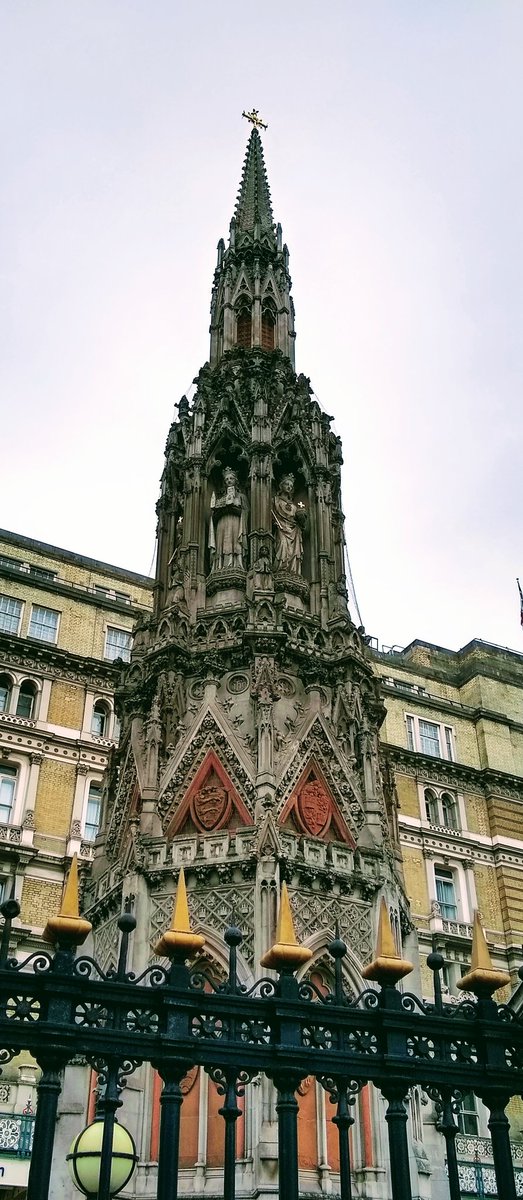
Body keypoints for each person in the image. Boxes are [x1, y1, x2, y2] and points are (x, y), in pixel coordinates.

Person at [209, 467, 248, 570]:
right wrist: (219, 510)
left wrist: (234, 507)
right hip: (222, 523)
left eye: (231, 478)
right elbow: (214, 517)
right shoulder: (220, 498)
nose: (229, 481)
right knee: (222, 544)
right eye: (227, 479)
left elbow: (246, 513)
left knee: (235, 542)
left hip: (235, 522)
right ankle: (220, 566)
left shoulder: (241, 496)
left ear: (236, 480)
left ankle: (237, 564)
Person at [272, 473, 306, 574]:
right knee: (282, 546)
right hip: (281, 529)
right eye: (287, 484)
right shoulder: (275, 501)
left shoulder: (294, 506)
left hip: (294, 531)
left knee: (294, 551)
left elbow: (301, 523)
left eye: (291, 486)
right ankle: (281, 569)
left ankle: (292, 570)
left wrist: (302, 516)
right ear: (281, 486)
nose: (289, 487)